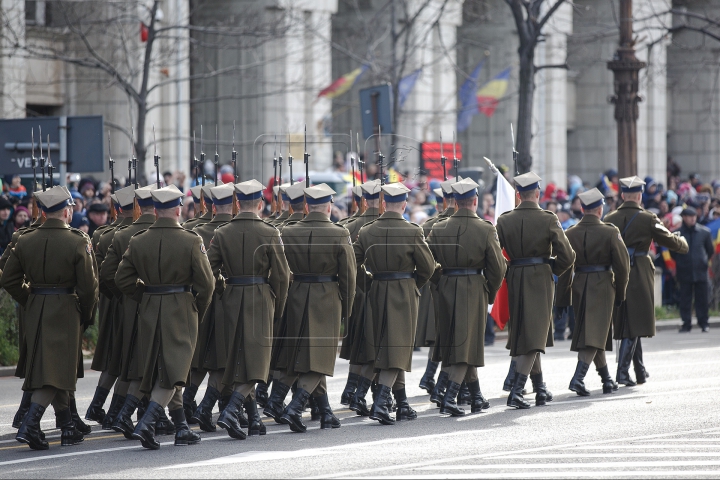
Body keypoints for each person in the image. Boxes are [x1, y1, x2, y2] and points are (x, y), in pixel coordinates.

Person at [115, 185, 214, 450]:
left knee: (167, 369)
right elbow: (207, 285)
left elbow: (121, 279)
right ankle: (146, 422)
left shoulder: (138, 240)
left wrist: (144, 295)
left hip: (150, 307)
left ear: (155, 210)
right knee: (176, 371)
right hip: (180, 308)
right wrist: (196, 307)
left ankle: (181, 427)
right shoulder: (191, 239)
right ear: (178, 208)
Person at [1, 186, 98, 450]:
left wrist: (30, 299)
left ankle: (67, 426)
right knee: (56, 371)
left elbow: (8, 278)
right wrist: (85, 312)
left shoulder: (24, 239)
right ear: (67, 211)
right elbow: (88, 287)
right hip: (66, 306)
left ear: (42, 213)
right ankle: (30, 423)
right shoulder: (78, 240)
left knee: (53, 367)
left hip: (36, 306)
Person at [207, 179, 290, 439]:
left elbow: (209, 271)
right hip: (259, 297)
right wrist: (277, 303)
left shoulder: (222, 232)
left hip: (231, 298)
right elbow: (282, 276)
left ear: (236, 203)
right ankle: (231, 410)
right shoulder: (269, 231)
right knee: (257, 362)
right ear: (260, 203)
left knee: (241, 359)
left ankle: (254, 419)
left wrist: (223, 289)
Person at [353, 182, 436, 425]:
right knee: (397, 349)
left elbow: (352, 261)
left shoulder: (368, 231)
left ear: (382, 204)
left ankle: (402, 404)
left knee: (389, 346)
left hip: (377, 291)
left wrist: (367, 282)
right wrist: (413, 284)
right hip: (403, 291)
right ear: (403, 203)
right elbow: (428, 267)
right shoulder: (412, 231)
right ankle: (381, 402)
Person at [276, 183, 356, 432]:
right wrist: (346, 308)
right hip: (326, 297)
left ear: (307, 207)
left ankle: (326, 413)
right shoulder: (339, 233)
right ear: (330, 206)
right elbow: (349, 277)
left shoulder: (287, 232)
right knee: (319, 359)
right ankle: (295, 407)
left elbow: (280, 271)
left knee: (307, 355)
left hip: (296, 294)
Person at [427, 178, 506, 416]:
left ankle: (477, 395)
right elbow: (498, 268)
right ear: (474, 201)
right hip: (473, 287)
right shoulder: (485, 228)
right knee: (465, 344)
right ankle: (449, 397)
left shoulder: (438, 228)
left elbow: (426, 261)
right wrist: (489, 291)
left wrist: (439, 281)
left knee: (461, 341)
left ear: (455, 202)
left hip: (447, 286)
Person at [496, 172, 575, 409]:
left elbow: (495, 254)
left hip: (515, 277)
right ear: (538, 193)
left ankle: (540, 387)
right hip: (539, 279)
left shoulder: (504, 220)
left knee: (527, 332)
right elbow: (568, 256)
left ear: (518, 196)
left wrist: (507, 271)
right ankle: (518, 391)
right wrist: (552, 268)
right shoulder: (548, 219)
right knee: (534, 336)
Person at [605, 176, 688, 386]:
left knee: (631, 320)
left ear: (623, 195)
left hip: (616, 271)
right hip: (639, 271)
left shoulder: (609, 218)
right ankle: (622, 372)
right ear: (640, 196)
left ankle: (639, 369)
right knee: (636, 322)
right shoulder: (647, 218)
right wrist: (683, 242)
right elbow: (669, 239)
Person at [100, 186, 166, 437]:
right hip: (163, 304)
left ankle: (126, 412)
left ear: (138, 206)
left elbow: (108, 275)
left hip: (130, 304)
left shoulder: (120, 235)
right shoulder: (182, 234)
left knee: (135, 359)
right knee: (159, 359)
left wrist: (125, 297)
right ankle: (149, 415)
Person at [556, 188, 630, 396]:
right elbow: (623, 267)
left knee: (595, 332)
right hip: (603, 285)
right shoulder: (610, 231)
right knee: (594, 334)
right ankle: (578, 378)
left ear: (582, 208)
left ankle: (606, 379)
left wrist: (562, 299)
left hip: (579, 285)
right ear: (600, 209)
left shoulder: (570, 233)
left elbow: (564, 268)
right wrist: (621, 292)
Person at [85, 187, 136, 428]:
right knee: (129, 358)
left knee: (115, 358)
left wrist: (112, 295)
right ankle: (117, 411)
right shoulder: (132, 234)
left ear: (116, 208)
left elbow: (98, 276)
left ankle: (99, 406)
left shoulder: (102, 235)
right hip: (130, 302)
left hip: (110, 301)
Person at [189, 183, 236, 432]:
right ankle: (211, 408)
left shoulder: (195, 231)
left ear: (211, 206)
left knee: (202, 358)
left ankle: (190, 403)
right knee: (226, 359)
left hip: (203, 301)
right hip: (230, 301)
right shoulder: (236, 230)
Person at [341, 180, 382, 413]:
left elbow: (348, 265)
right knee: (378, 347)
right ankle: (366, 394)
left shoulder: (349, 226)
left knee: (361, 345)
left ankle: (354, 390)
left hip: (356, 293)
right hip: (379, 293)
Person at [417, 178, 458, 398]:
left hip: (433, 286)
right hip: (454, 286)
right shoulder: (460, 224)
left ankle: (429, 376)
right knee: (453, 336)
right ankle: (447, 384)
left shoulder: (427, 226)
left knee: (440, 335)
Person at [672, 207, 714, 333]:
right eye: (690, 216)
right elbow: (673, 252)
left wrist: (702, 261)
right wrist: (681, 262)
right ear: (684, 217)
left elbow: (709, 250)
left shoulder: (704, 232)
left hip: (701, 270)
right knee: (685, 299)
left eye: (694, 216)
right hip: (684, 270)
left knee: (702, 298)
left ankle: (704, 323)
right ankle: (686, 323)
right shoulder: (677, 233)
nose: (692, 219)